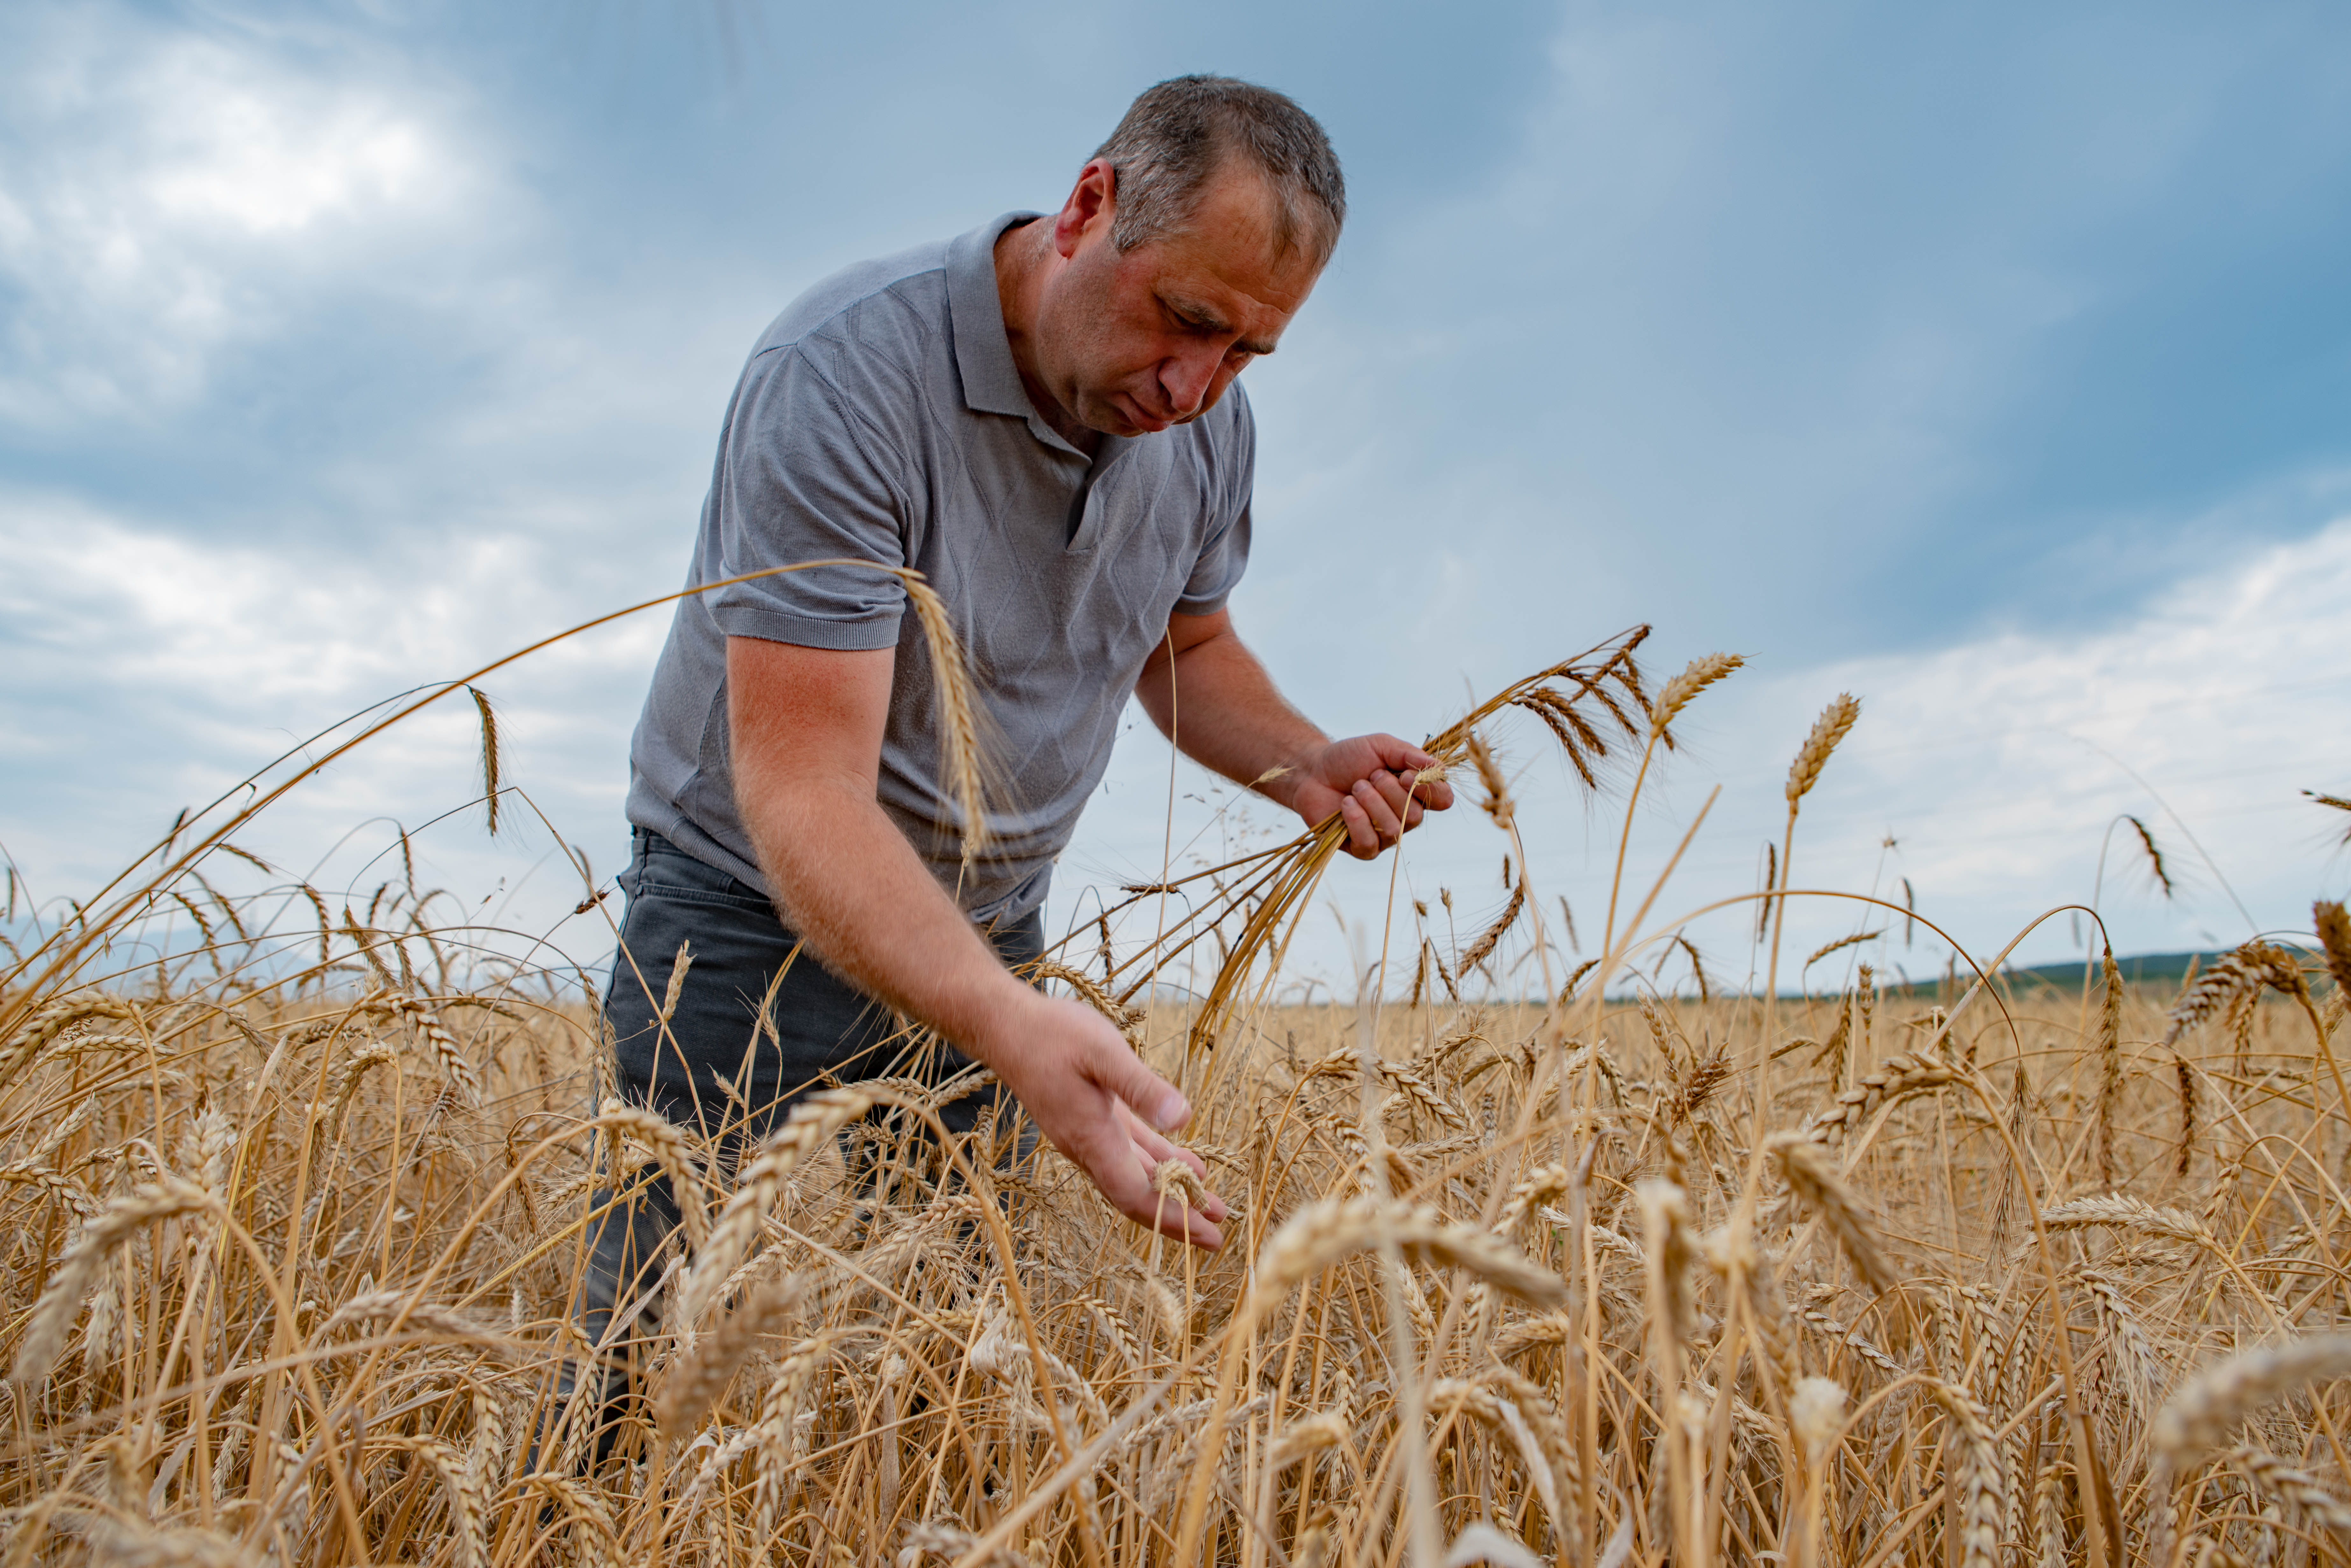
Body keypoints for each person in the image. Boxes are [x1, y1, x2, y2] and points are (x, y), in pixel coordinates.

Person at [574, 75, 1452, 1401]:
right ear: (1089, 207)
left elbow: (1185, 647)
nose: (1196, 387)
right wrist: (1010, 1022)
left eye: (1246, 354)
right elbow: (802, 788)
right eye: (1186, 320)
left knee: (943, 1368)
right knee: (642, 1361)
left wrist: (1303, 760)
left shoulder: (1208, 428)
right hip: (741, 914)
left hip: (993, 929)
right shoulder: (843, 377)